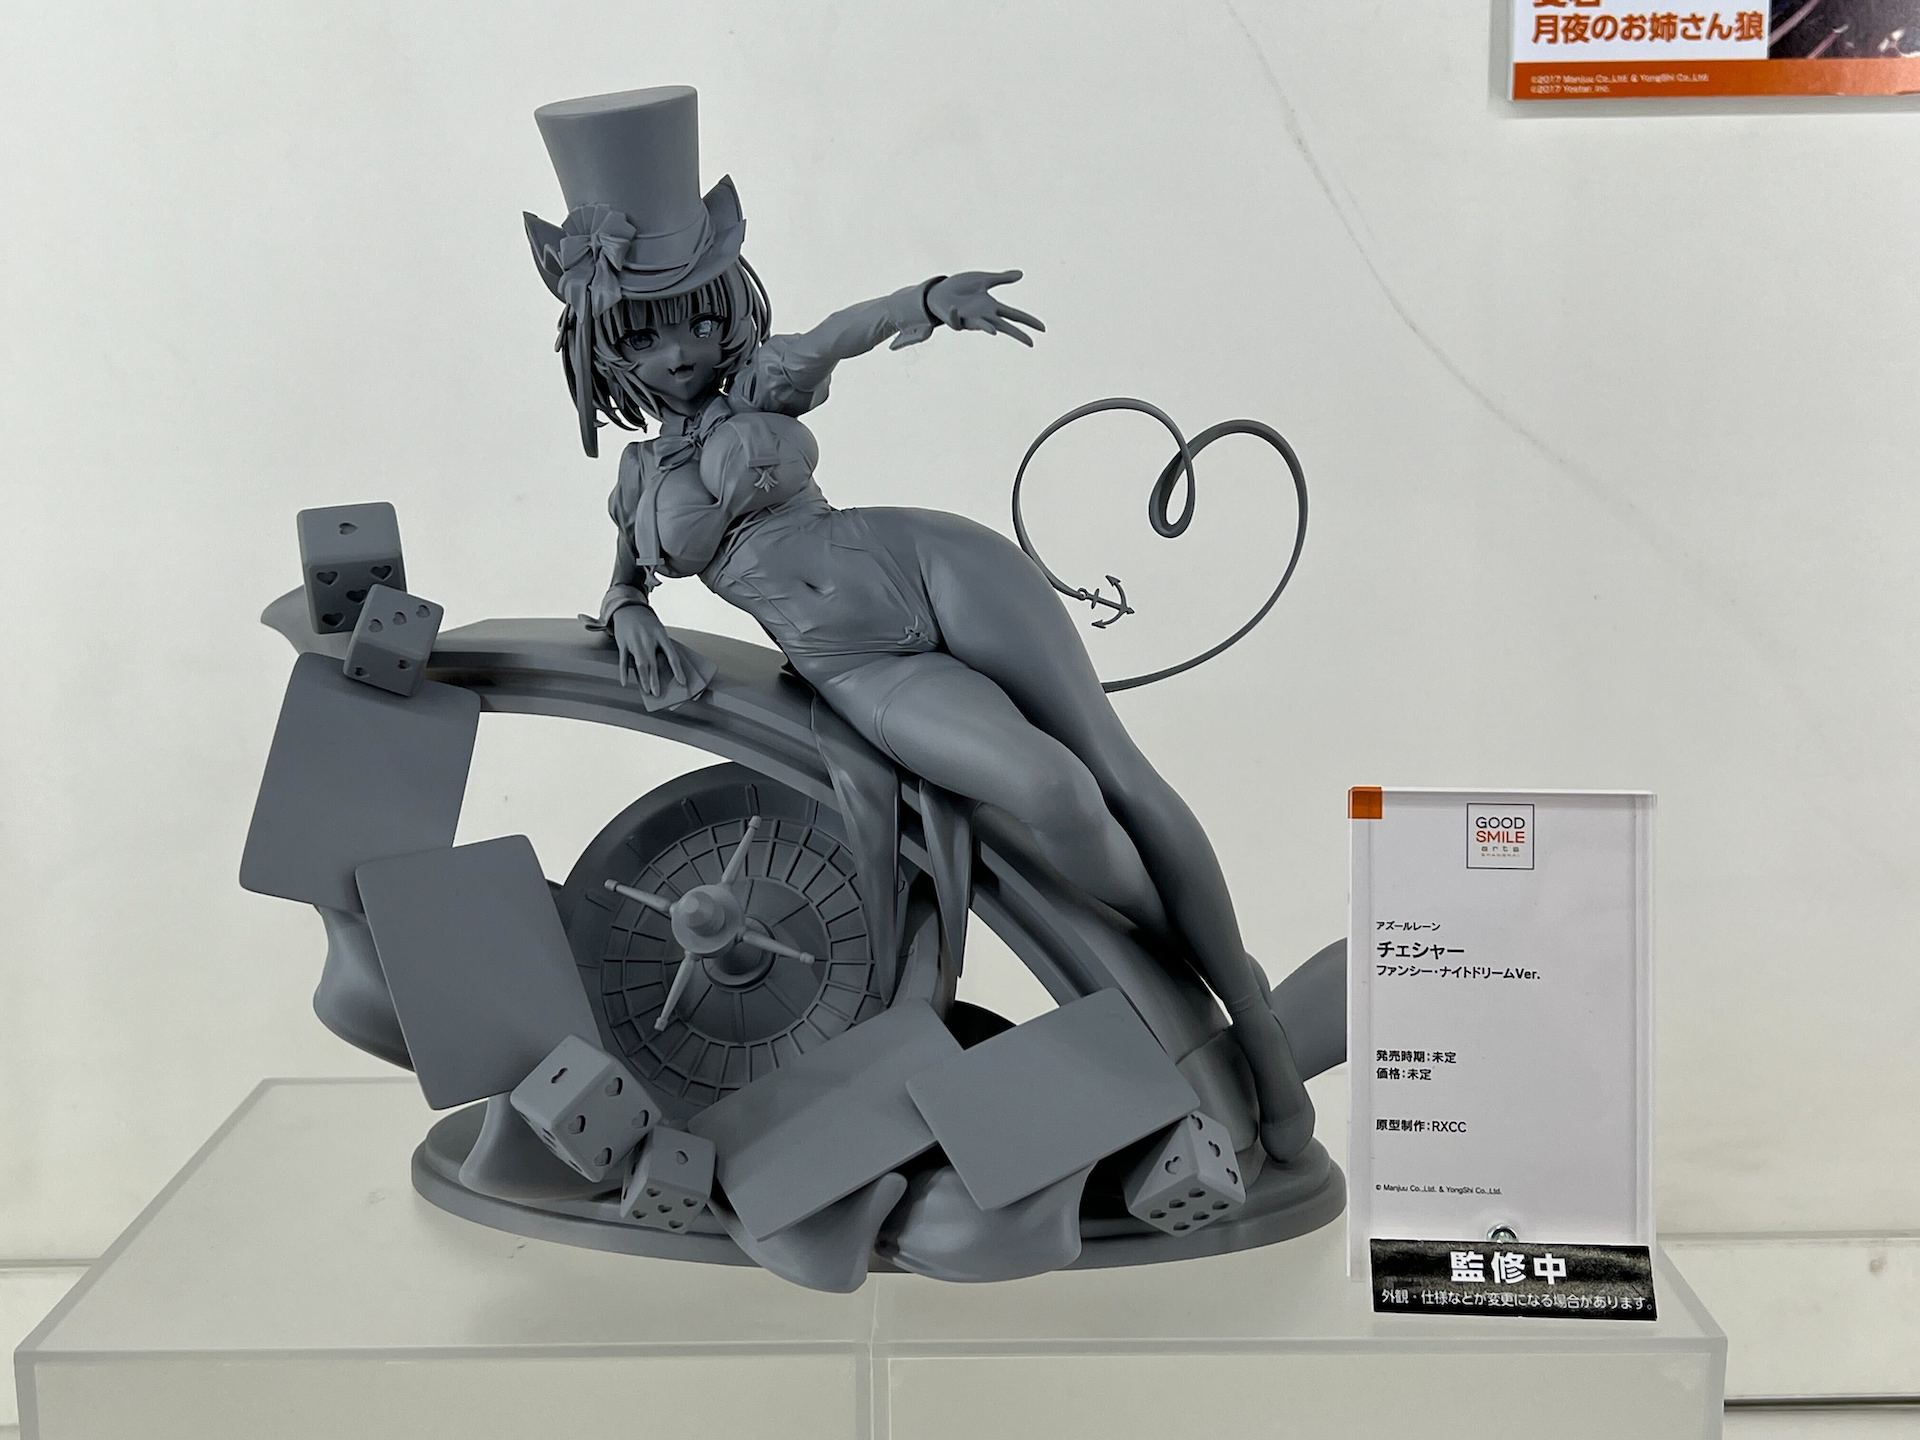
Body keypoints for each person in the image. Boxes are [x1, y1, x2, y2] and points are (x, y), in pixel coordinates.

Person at [527, 86, 1313, 1160]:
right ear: (602, 344)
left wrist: (932, 300)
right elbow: (626, 581)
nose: (682, 350)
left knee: (1117, 767)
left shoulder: (761, 378)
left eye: (700, 317)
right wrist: (628, 613)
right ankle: (1197, 960)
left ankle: (1255, 1026)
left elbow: (844, 334)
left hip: (935, 563)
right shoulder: (635, 479)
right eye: (649, 332)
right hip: (860, 666)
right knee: (1054, 793)